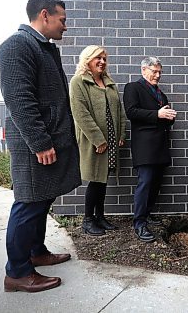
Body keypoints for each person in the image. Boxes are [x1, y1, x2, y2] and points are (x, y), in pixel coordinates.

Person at [0, 0, 82, 292]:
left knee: (42, 199)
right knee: (29, 203)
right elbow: (19, 100)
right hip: (35, 145)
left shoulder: (40, 47)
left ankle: (36, 251)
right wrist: (39, 142)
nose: (65, 26)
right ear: (44, 15)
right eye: (62, 19)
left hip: (48, 140)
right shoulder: (16, 46)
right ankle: (17, 272)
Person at [69, 45, 126, 236]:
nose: (102, 61)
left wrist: (121, 135)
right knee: (95, 179)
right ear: (87, 60)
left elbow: (120, 112)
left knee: (103, 180)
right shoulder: (79, 82)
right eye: (97, 58)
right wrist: (98, 140)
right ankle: (87, 220)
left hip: (111, 139)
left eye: (104, 58)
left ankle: (100, 217)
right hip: (94, 141)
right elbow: (80, 114)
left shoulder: (109, 83)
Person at [123, 57, 176, 243]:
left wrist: (169, 117)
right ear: (144, 70)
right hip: (144, 147)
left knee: (155, 184)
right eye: (154, 71)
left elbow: (164, 117)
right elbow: (131, 112)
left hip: (161, 146)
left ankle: (147, 214)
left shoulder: (161, 94)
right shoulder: (133, 87)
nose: (158, 75)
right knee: (145, 184)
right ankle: (139, 223)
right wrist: (158, 114)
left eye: (159, 72)